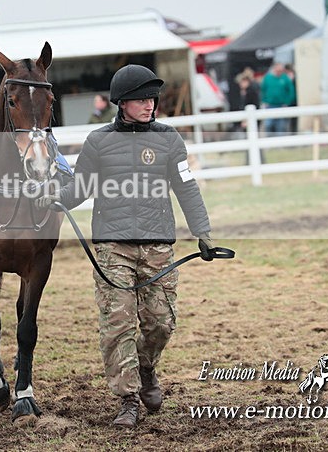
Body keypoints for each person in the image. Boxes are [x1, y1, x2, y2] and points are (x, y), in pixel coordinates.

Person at [36, 64, 213, 428]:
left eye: (151, 98)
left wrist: (203, 231)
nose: (149, 105)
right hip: (113, 247)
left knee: (161, 323)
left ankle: (146, 368)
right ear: (121, 103)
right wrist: (54, 198)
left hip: (158, 244)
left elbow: (186, 188)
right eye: (140, 100)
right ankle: (127, 399)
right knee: (117, 324)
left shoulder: (169, 140)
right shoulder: (99, 142)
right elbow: (80, 188)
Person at [260, 62, 295, 136]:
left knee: (281, 126)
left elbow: (291, 90)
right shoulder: (268, 78)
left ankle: (280, 144)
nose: (280, 72)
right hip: (270, 105)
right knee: (268, 125)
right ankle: (269, 143)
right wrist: (264, 101)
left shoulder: (285, 78)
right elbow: (263, 90)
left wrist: (287, 102)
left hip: (281, 105)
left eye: (281, 70)